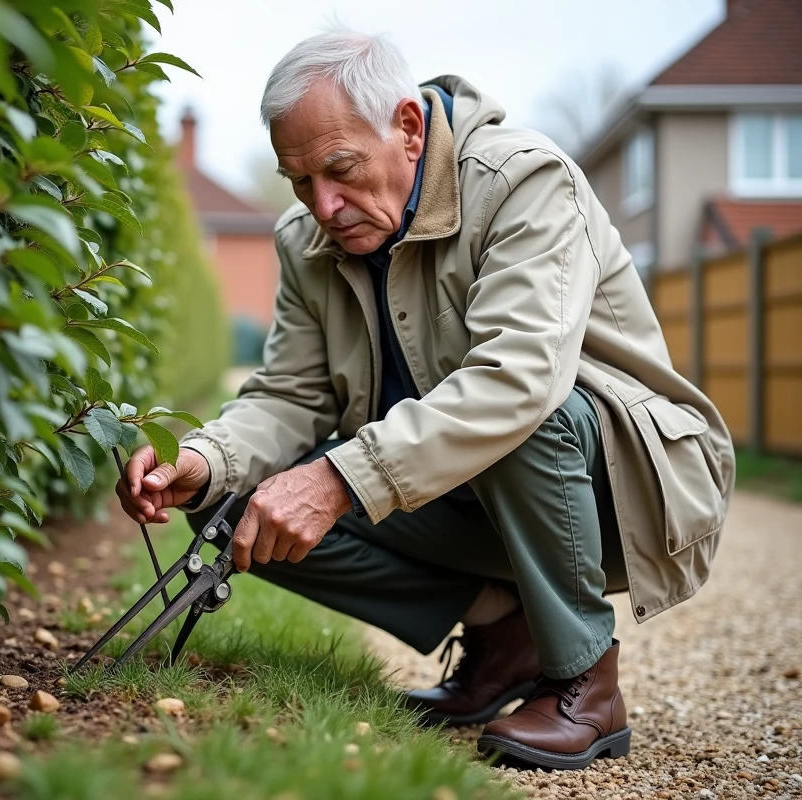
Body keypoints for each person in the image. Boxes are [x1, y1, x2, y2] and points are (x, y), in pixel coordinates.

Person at [115, 28, 733, 771]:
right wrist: (203, 461)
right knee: (233, 498)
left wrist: (338, 479)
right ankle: (506, 638)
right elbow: (290, 394)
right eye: (299, 181)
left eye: (340, 169)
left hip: (627, 492)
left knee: (526, 419)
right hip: (472, 499)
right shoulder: (304, 241)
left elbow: (517, 380)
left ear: (408, 129)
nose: (324, 205)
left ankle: (585, 683)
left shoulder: (524, 183)